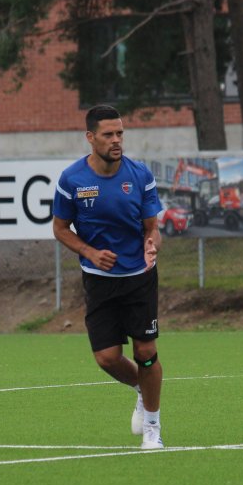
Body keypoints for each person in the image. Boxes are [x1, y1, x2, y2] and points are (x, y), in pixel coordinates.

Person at [53, 105, 166, 450]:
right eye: (108, 134)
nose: (116, 140)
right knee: (106, 358)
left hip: (138, 277)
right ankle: (142, 389)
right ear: (90, 137)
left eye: (120, 133)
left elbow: (152, 228)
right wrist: (89, 252)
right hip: (99, 280)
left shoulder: (140, 175)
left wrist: (152, 243)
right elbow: (60, 229)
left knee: (145, 351)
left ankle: (153, 428)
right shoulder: (72, 180)